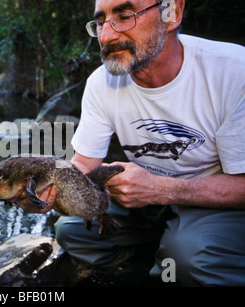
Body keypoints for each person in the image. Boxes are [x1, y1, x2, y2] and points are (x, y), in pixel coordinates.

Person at [20, 0, 245, 286]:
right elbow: (83, 167)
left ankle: (180, 258)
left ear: (171, 13)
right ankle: (158, 260)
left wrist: (162, 190)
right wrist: (44, 192)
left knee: (190, 257)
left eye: (124, 16)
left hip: (213, 200)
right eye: (101, 21)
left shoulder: (234, 71)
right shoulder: (101, 83)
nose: (106, 36)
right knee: (72, 230)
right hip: (146, 204)